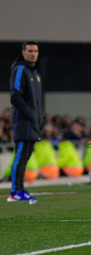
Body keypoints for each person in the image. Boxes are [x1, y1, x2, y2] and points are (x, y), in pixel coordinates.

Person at [7, 41, 44, 203]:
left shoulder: (34, 72)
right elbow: (15, 95)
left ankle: (20, 189)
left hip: (33, 123)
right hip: (24, 123)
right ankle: (15, 191)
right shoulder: (20, 69)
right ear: (23, 53)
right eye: (30, 51)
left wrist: (38, 118)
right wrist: (29, 114)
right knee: (21, 156)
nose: (33, 53)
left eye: (35, 51)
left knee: (26, 156)